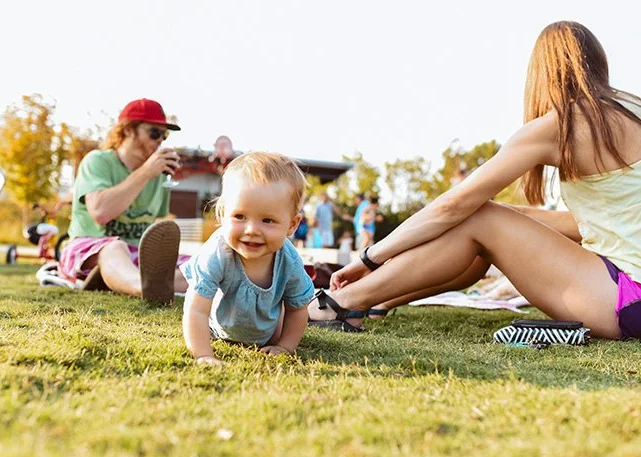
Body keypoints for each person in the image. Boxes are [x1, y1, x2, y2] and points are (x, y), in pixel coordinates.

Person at [308, 21, 641, 340]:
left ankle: (343, 303)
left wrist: (369, 257)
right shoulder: (632, 110)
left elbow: (453, 204)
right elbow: (599, 224)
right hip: (625, 291)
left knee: (479, 215)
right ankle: (379, 300)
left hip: (628, 300)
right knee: (490, 218)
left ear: (542, 74)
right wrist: (517, 218)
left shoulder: (563, 124)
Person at [181, 152, 315, 365]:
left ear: (292, 225)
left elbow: (297, 308)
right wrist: (204, 354)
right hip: (217, 328)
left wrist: (284, 346)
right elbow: (196, 308)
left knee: (281, 313)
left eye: (268, 220)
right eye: (240, 216)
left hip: (269, 332)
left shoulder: (289, 260)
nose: (251, 230)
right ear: (222, 214)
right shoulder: (218, 251)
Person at [58, 98, 187, 303]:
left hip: (136, 256)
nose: (160, 141)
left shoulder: (160, 176)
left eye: (164, 135)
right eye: (154, 132)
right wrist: (146, 172)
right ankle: (142, 287)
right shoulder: (97, 161)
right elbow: (100, 212)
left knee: (197, 265)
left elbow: (156, 223)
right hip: (88, 248)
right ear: (128, 130)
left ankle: (125, 280)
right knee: (116, 248)